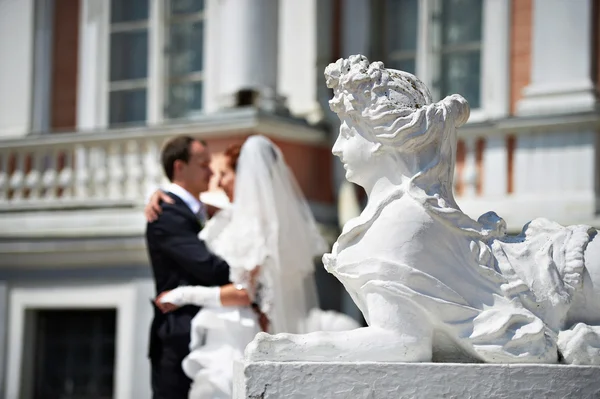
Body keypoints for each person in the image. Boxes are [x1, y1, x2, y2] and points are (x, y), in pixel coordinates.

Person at [146, 135, 359, 398]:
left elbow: (243, 290)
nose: (216, 179)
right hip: (214, 328)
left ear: (244, 177)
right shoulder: (225, 217)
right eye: (207, 166)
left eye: (223, 173)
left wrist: (183, 295)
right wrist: (160, 193)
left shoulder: (255, 229)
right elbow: (205, 213)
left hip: (234, 329)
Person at [146, 136, 259, 399]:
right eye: (204, 164)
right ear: (179, 167)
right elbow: (210, 269)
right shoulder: (166, 214)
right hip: (181, 334)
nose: (211, 173)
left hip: (220, 330)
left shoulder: (197, 211)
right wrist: (249, 274)